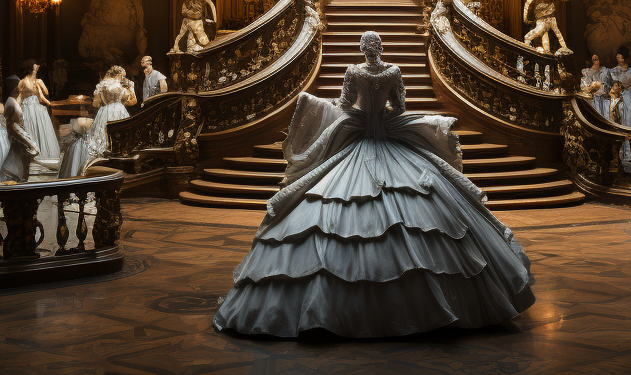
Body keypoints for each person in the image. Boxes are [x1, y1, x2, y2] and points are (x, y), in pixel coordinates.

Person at [212, 31, 534, 337]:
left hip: (361, 137)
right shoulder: (394, 71)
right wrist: (383, 114)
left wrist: (335, 114)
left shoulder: (353, 71)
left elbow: (344, 103)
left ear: (362, 49)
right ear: (379, 47)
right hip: (385, 137)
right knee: (426, 204)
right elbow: (400, 108)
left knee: (329, 202)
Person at [17, 60, 59, 161]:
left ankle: (40, 151)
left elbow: (45, 93)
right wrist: (17, 109)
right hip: (27, 109)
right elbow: (19, 97)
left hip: (36, 108)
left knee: (39, 128)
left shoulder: (37, 82)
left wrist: (49, 103)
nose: (37, 67)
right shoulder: (22, 82)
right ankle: (30, 152)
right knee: (29, 129)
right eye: (35, 66)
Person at [2, 92, 38, 183]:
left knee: (26, 153)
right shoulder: (10, 103)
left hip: (18, 130)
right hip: (16, 132)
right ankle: (22, 178)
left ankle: (22, 177)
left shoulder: (13, 101)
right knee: (28, 151)